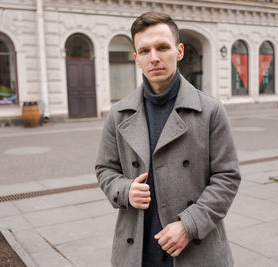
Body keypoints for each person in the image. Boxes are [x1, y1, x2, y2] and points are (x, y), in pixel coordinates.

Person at [95, 11, 241, 267]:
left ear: (179, 51)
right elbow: (105, 169)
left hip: (196, 248)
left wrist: (189, 225)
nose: (154, 58)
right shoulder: (119, 114)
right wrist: (125, 190)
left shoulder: (210, 111)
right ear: (136, 59)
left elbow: (227, 177)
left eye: (162, 47)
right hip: (137, 250)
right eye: (145, 50)